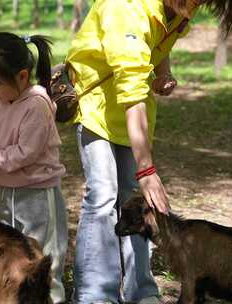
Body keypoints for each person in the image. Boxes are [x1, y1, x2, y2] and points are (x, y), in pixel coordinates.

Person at [64, 0, 228, 302]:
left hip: (133, 116)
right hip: (98, 110)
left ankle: (142, 290)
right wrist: (147, 168)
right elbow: (131, 91)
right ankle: (95, 294)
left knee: (136, 202)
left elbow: (157, 50)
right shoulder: (124, 8)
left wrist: (162, 73)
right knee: (101, 196)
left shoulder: (175, 13)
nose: (196, 5)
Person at [0, 32, 68, 304]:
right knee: (10, 248)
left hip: (36, 193)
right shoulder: (0, 102)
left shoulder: (37, 105)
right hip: (6, 190)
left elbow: (25, 154)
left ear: (22, 76)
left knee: (43, 250)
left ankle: (51, 297)